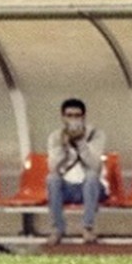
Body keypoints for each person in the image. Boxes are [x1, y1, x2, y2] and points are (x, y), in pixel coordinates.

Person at [46, 98, 106, 246]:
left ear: (84, 117)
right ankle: (57, 229)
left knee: (91, 176)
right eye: (69, 115)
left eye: (77, 115)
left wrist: (81, 143)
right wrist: (64, 147)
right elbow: (53, 167)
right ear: (63, 117)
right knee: (52, 179)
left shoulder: (96, 134)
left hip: (92, 187)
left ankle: (87, 227)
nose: (73, 119)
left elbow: (94, 165)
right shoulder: (55, 137)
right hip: (67, 187)